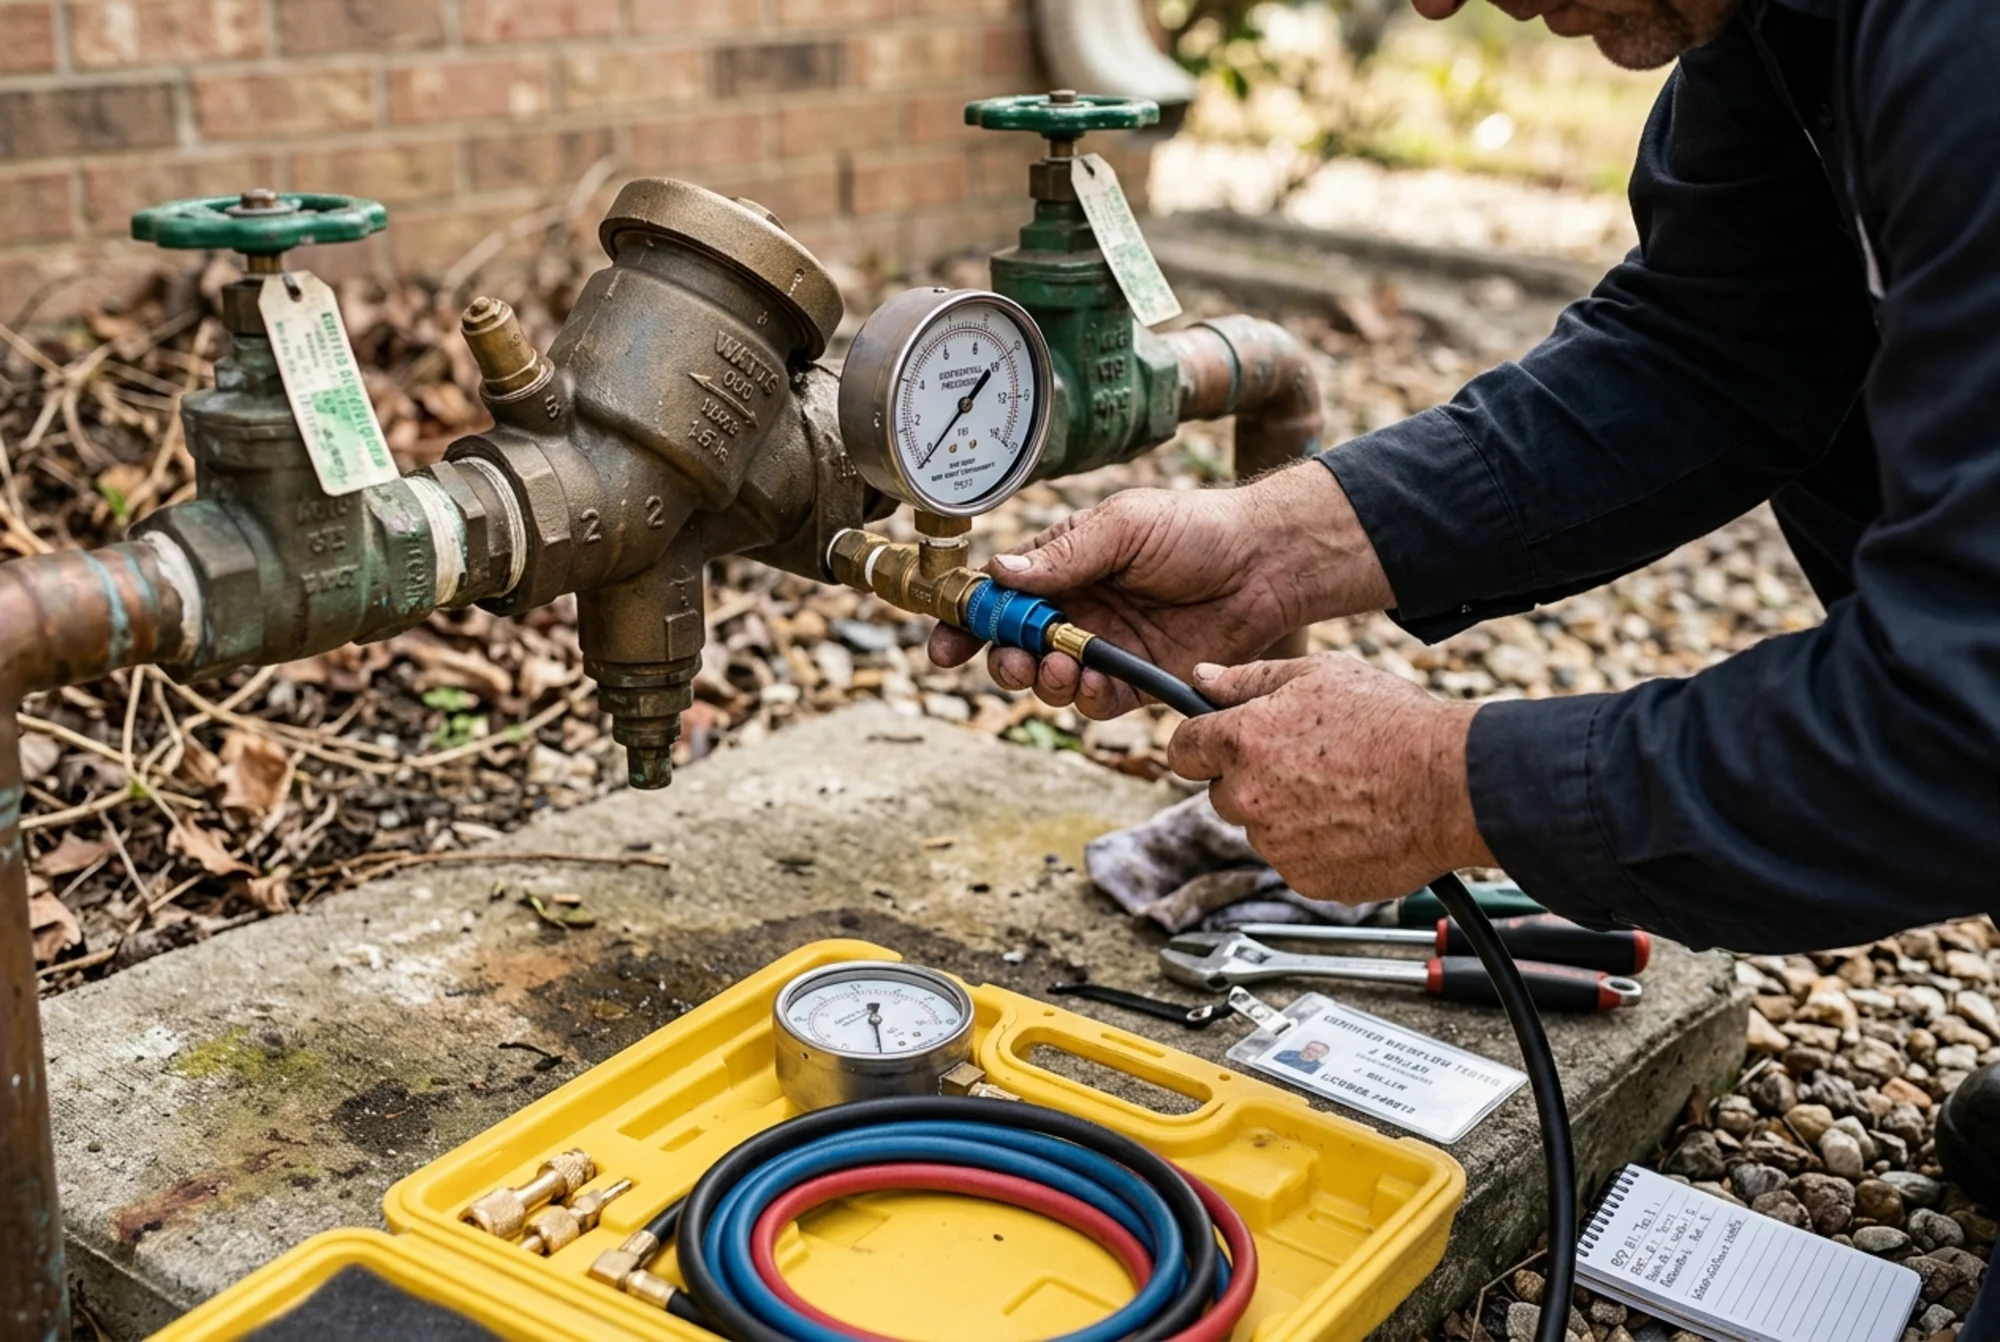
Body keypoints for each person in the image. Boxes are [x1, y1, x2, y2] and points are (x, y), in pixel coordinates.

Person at [932, 0, 1999, 1329]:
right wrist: (1274, 546)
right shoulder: (1772, 28)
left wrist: (1456, 784)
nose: (1435, 5)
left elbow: (1967, 708)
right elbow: (1718, 347)